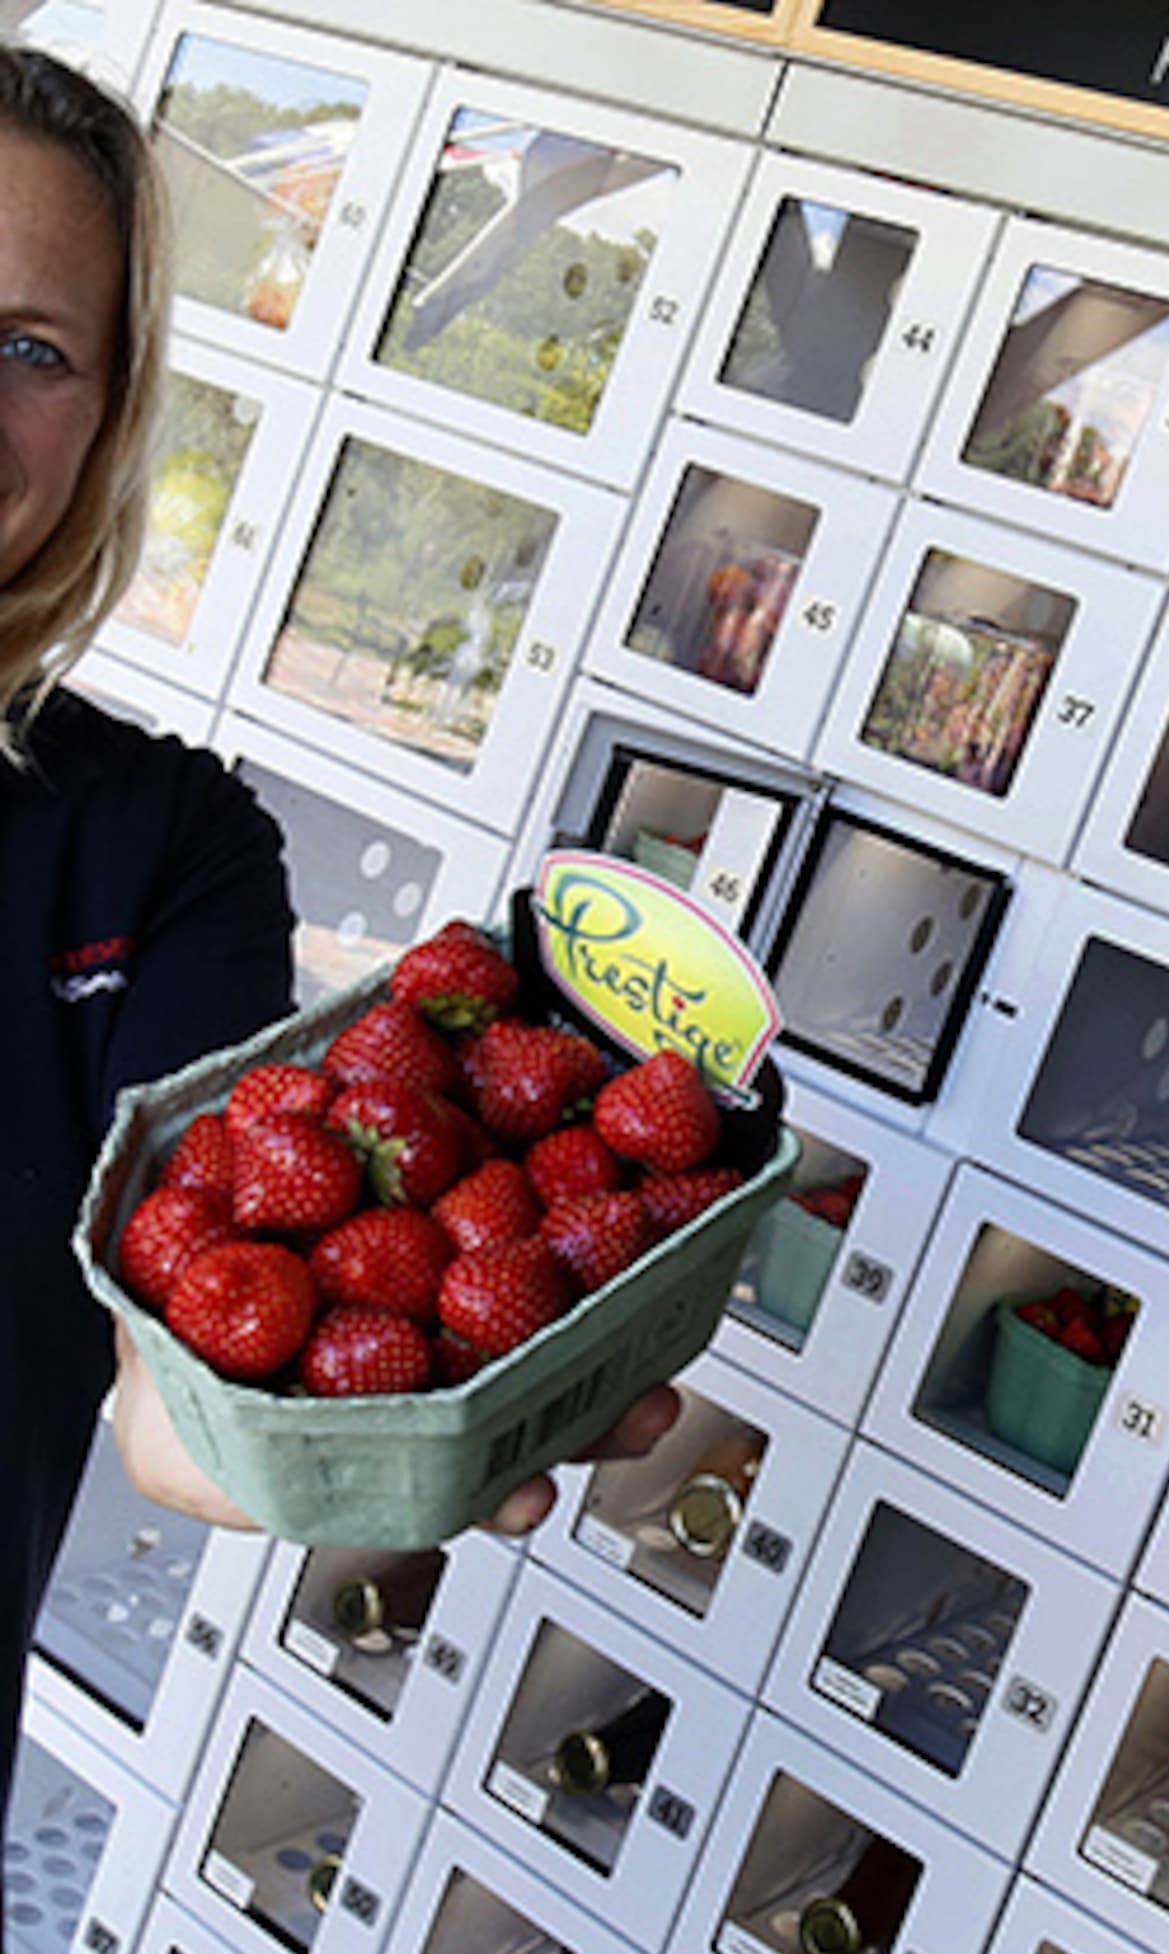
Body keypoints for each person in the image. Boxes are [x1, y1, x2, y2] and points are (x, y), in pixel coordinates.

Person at [0, 43, 676, 1848]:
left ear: (107, 419)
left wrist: (428, 1400)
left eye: (31, 349)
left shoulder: (166, 854)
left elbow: (178, 1399)